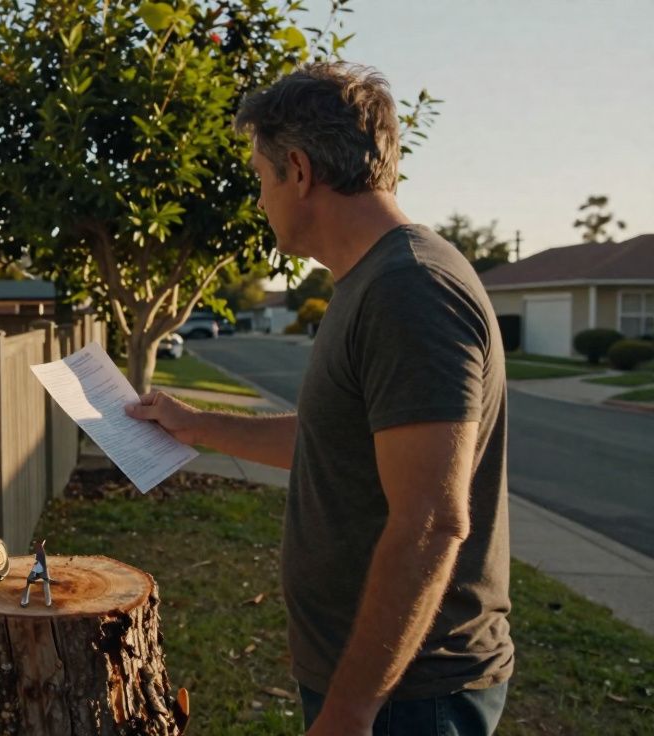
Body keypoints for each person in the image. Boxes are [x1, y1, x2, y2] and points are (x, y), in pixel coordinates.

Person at [127, 63, 512, 735]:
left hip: (410, 697)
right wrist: (194, 424)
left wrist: (351, 711)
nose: (258, 201)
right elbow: (339, 440)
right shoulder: (369, 281)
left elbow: (431, 522)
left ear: (298, 171)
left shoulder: (409, 289)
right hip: (380, 685)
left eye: (259, 178)